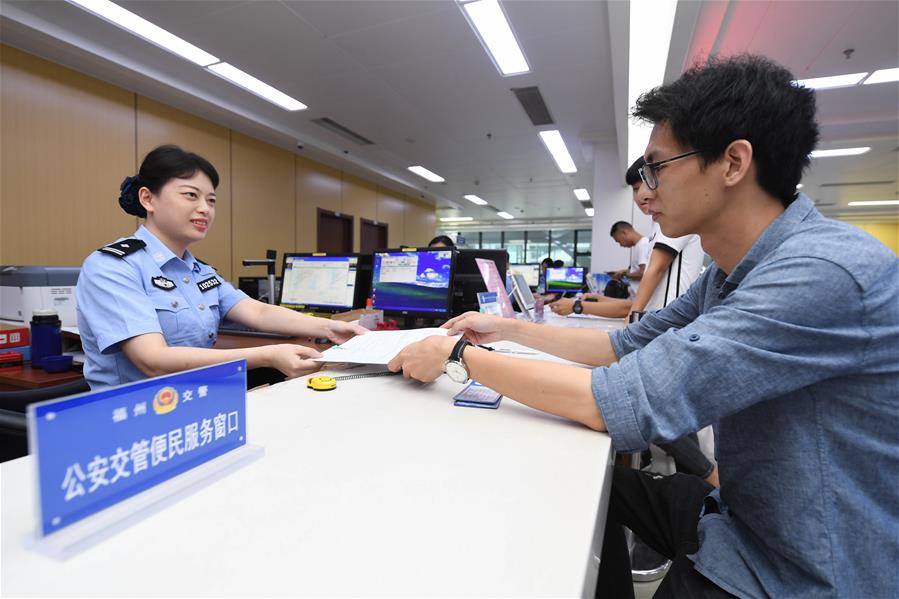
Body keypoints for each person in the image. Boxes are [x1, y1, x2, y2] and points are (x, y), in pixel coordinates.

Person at [388, 55, 899, 597]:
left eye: (657, 167)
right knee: (579, 480)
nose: (645, 190)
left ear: (732, 163)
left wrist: (457, 358)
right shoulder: (728, 272)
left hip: (796, 571)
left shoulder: (821, 274)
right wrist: (507, 329)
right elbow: (626, 345)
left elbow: (622, 401)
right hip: (746, 518)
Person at [76, 145, 366, 390]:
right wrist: (269, 354)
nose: (205, 208)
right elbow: (152, 360)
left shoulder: (199, 271)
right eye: (191, 195)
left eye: (211, 200)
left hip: (199, 400)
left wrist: (330, 327)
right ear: (147, 198)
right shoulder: (113, 266)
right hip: (135, 417)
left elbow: (258, 311)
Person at [607, 221, 649, 296]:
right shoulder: (639, 245)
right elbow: (638, 269)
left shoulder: (643, 245)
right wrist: (623, 272)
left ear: (624, 233)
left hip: (642, 297)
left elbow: (644, 273)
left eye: (618, 241)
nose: (620, 245)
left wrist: (625, 275)